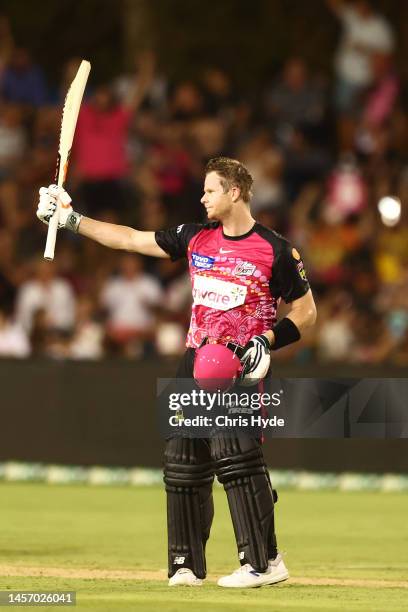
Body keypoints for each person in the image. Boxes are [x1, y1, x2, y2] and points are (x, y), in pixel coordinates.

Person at [36, 157, 317, 588]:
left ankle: (264, 562)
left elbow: (306, 311)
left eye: (210, 190)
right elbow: (130, 239)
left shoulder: (276, 249)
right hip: (194, 359)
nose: (201, 197)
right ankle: (185, 564)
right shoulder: (195, 237)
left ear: (234, 192)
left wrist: (268, 341)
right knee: (182, 463)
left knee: (236, 458)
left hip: (239, 364)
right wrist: (71, 219)